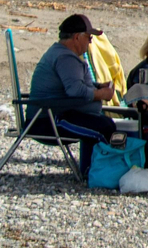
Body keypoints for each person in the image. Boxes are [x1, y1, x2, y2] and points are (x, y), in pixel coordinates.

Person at [28, 13, 118, 175]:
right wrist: (102, 94)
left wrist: (97, 86)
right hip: (49, 120)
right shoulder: (65, 58)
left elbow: (72, 85)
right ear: (77, 37)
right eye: (89, 38)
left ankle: (90, 170)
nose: (91, 42)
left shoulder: (61, 54)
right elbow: (75, 91)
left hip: (53, 114)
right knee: (104, 128)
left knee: (104, 124)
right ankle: (101, 173)